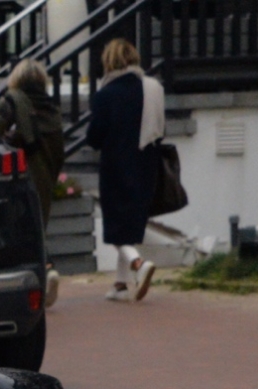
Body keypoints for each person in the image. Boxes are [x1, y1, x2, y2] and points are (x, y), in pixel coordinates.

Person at [86, 37, 163, 302]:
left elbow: (94, 137)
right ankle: (120, 285)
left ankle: (138, 264)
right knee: (130, 223)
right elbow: (159, 130)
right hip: (146, 163)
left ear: (109, 62)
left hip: (116, 165)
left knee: (116, 224)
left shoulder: (105, 95)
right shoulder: (153, 88)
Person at [0, 60, 67, 231]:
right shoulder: (53, 109)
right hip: (44, 185)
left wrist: (9, 140)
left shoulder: (11, 102)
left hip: (16, 186)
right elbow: (59, 153)